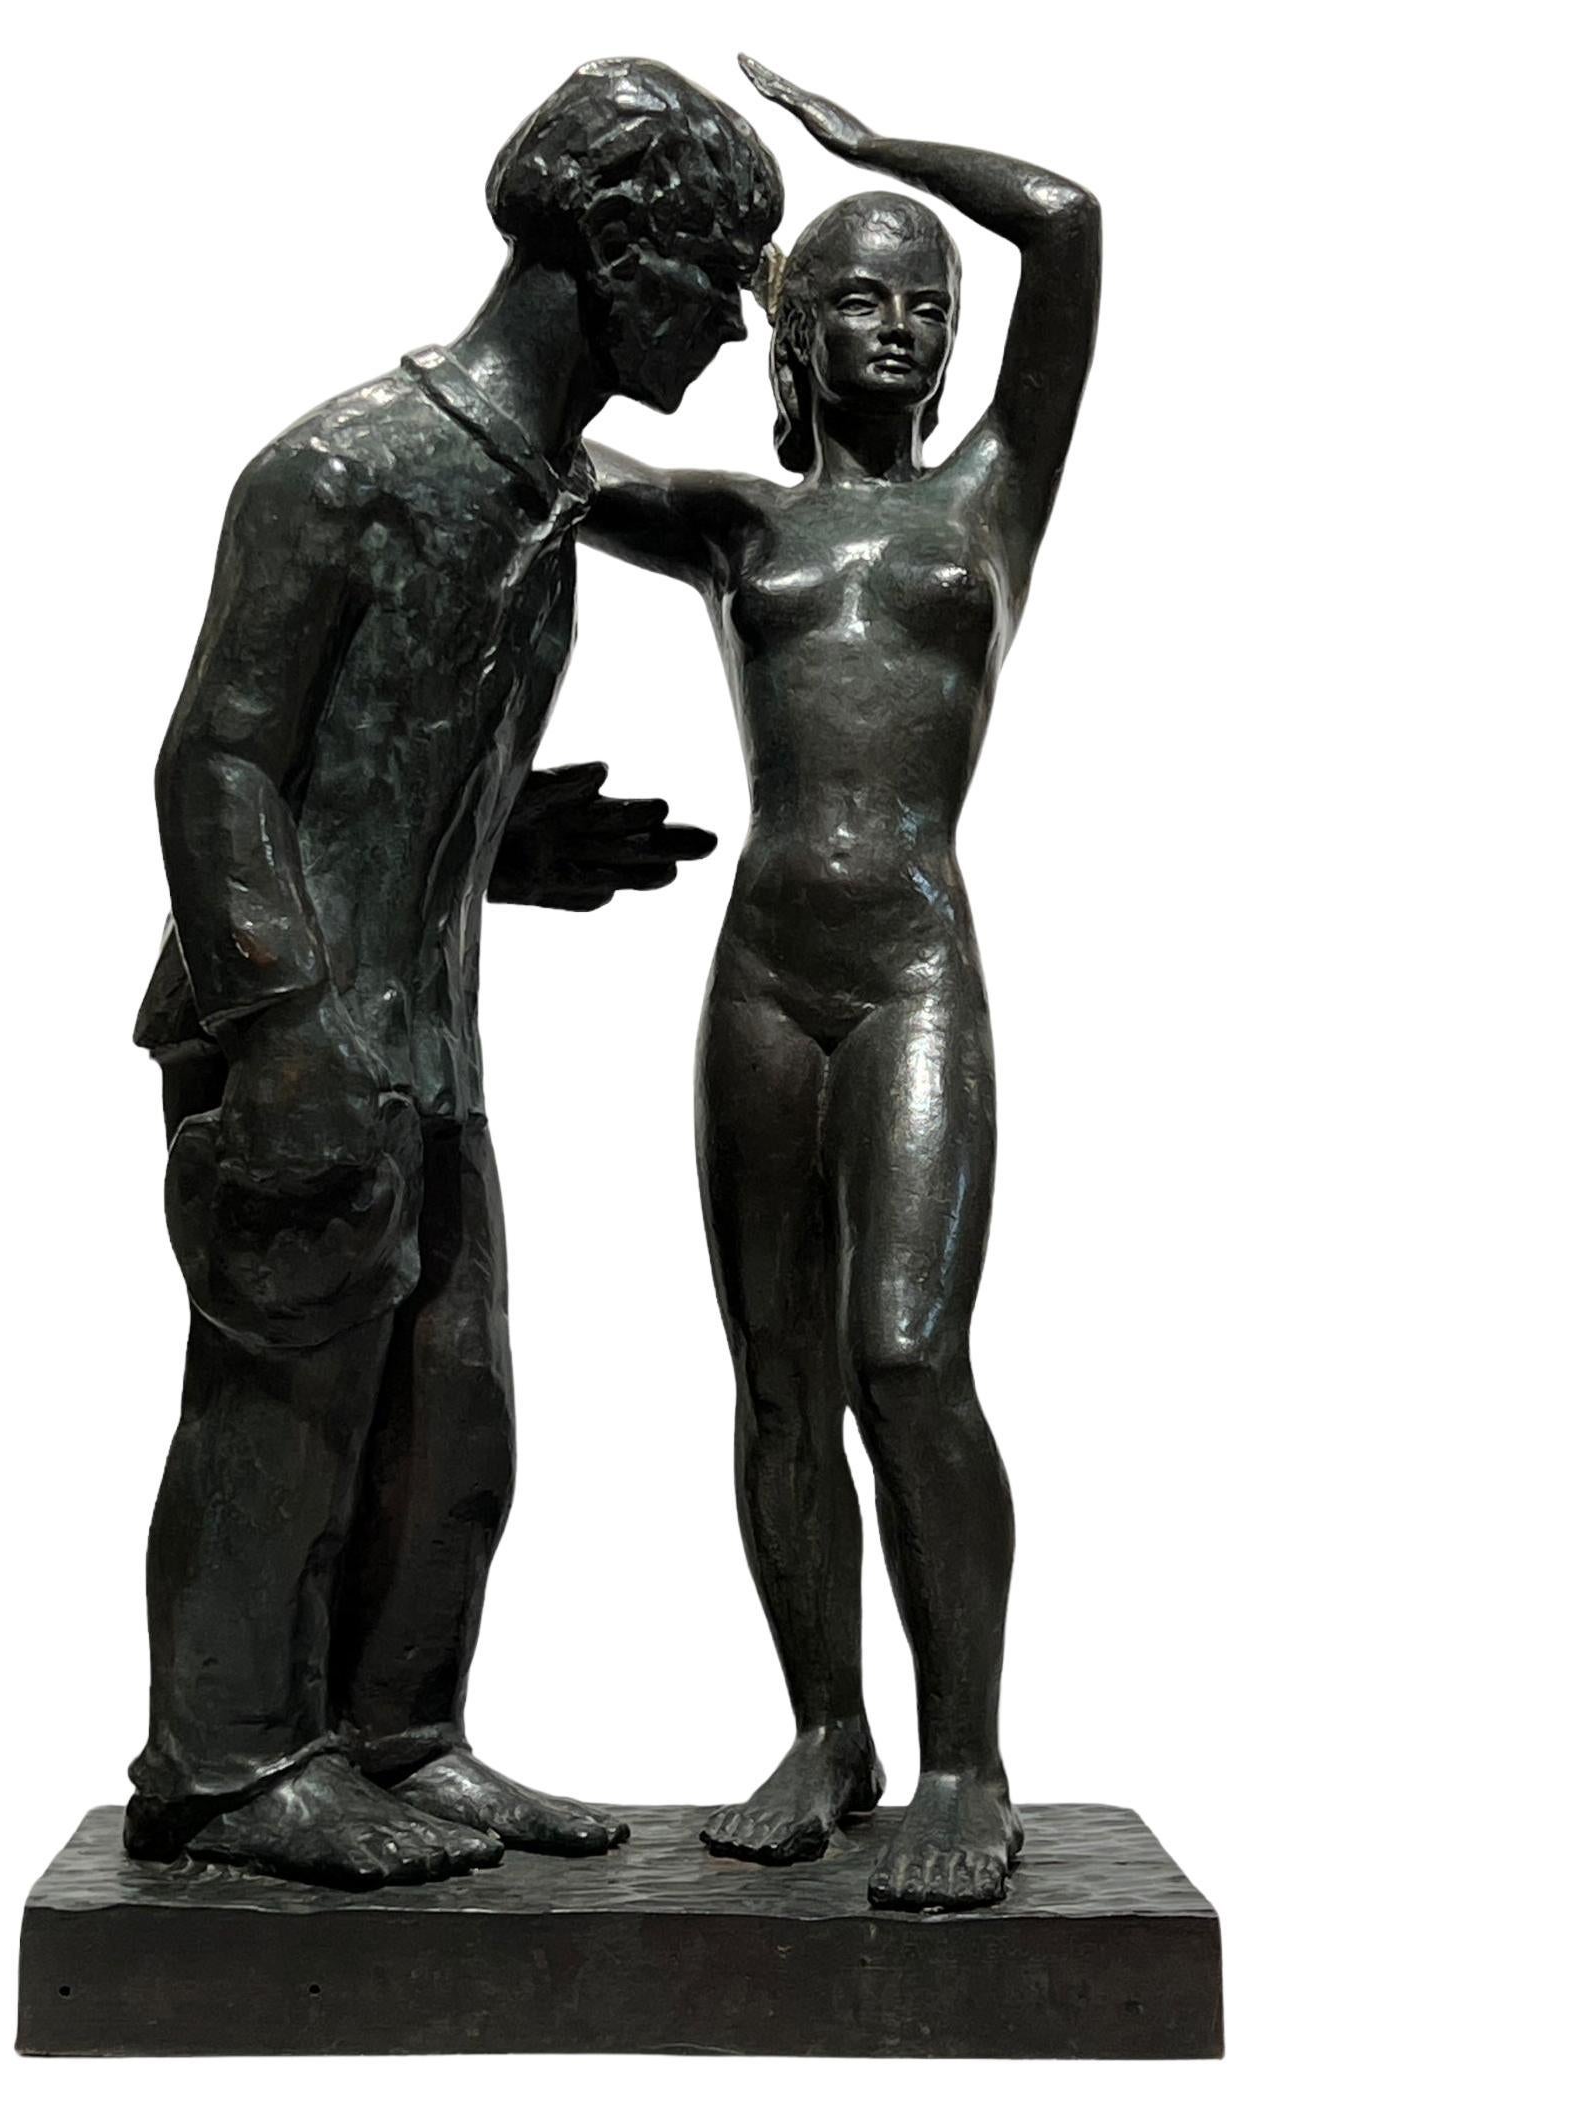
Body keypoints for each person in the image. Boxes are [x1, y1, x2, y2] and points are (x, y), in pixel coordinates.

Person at [127, 59, 782, 1888]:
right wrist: (280, 1024)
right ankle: (231, 1766)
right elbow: (216, 762)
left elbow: (373, 752)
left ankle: (397, 1734)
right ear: (612, 243)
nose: (735, 324)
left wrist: (502, 838)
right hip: (297, 1028)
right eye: (718, 272)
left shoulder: (540, 501)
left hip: (424, 1029)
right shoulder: (348, 471)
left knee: (453, 1410)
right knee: (287, 1401)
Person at [583, 56, 1099, 1910]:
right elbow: (538, 460)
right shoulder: (736, 525)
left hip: (909, 969)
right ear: (793, 330)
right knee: (778, 1373)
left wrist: (878, 156)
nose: (899, 325)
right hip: (762, 970)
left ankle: (965, 1756)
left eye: (923, 304)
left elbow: (1069, 227)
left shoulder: (990, 498)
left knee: (904, 1353)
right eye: (858, 296)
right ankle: (827, 1727)